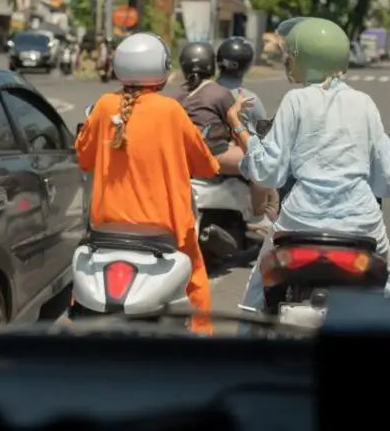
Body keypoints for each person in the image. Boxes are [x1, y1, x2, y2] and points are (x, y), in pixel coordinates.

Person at [228, 17, 390, 314]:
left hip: (300, 221)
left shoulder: (295, 101)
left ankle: (248, 348)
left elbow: (267, 171)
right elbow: (388, 180)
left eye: (291, 55)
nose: (287, 61)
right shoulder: (364, 103)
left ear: (305, 59)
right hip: (361, 223)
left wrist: (244, 138)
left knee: (256, 295)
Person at [75, 32, 221, 334]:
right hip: (166, 233)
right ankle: (203, 346)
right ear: (162, 69)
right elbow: (206, 165)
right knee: (196, 280)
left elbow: (83, 158)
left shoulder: (104, 106)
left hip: (105, 231)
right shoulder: (171, 111)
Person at [170, 41, 274, 237]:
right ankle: (258, 216)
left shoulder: (177, 97)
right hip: (214, 155)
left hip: (182, 157)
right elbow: (236, 129)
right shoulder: (220, 94)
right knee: (262, 161)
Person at [215, 36, 279, 222]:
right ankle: (259, 219)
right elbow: (264, 136)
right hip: (233, 160)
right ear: (247, 66)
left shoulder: (202, 92)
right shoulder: (249, 99)